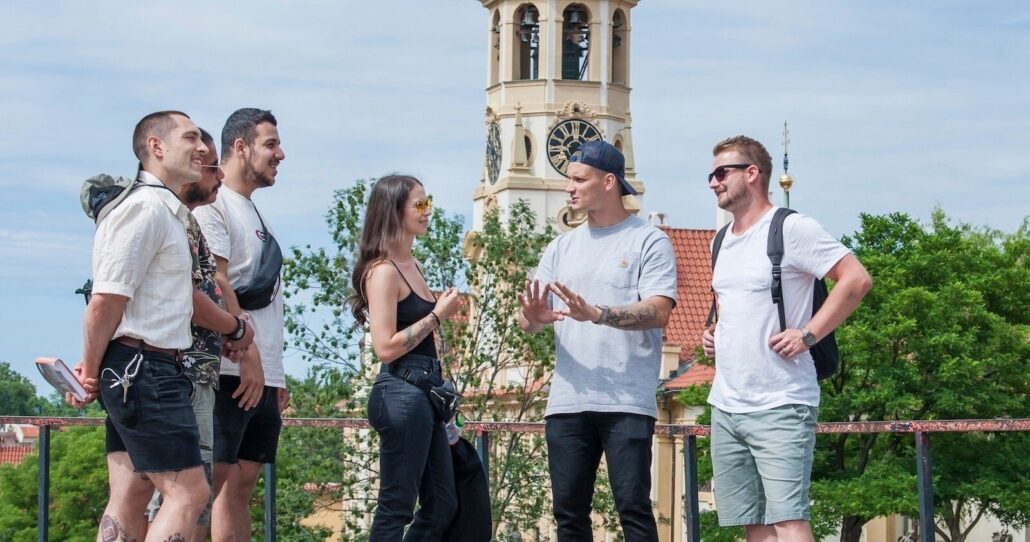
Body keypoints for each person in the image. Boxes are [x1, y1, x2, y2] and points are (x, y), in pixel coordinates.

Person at [700, 135, 872, 541]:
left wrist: (809, 334)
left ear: (752, 173)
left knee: (789, 520)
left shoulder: (791, 228)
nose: (713, 182)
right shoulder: (720, 240)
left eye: (722, 172)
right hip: (727, 403)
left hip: (781, 401)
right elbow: (732, 302)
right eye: (712, 174)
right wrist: (715, 335)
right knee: (754, 522)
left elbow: (857, 279)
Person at [519, 140, 678, 541]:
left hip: (626, 401)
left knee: (633, 509)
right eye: (568, 180)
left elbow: (659, 311)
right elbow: (528, 322)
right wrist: (533, 317)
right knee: (568, 514)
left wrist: (599, 314)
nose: (569, 188)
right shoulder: (560, 247)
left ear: (609, 182)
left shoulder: (648, 240)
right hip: (568, 401)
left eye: (578, 179)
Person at [67, 110, 211, 541]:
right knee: (188, 492)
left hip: (135, 366)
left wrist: (96, 367)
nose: (202, 148)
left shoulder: (161, 209)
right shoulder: (146, 208)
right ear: (156, 146)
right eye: (191, 138)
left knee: (130, 491)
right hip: (144, 368)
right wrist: (90, 372)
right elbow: (105, 301)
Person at [145, 128, 255, 542]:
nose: (218, 177)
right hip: (176, 370)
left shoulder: (181, 220)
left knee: (183, 496)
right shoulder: (160, 214)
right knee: (183, 496)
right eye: (209, 167)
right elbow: (186, 295)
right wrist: (236, 327)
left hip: (187, 370)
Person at [349, 174, 462, 541]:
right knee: (396, 506)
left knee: (443, 503)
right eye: (420, 204)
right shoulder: (383, 272)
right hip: (400, 391)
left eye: (428, 203)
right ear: (395, 211)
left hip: (425, 392)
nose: (428, 212)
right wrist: (436, 315)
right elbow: (385, 347)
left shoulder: (413, 265)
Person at [193, 108, 288, 542]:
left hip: (261, 373)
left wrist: (275, 372)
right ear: (240, 146)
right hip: (230, 369)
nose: (280, 154)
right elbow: (217, 281)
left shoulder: (258, 215)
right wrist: (248, 357)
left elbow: (267, 302)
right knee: (201, 489)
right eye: (271, 144)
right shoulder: (215, 207)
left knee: (240, 489)